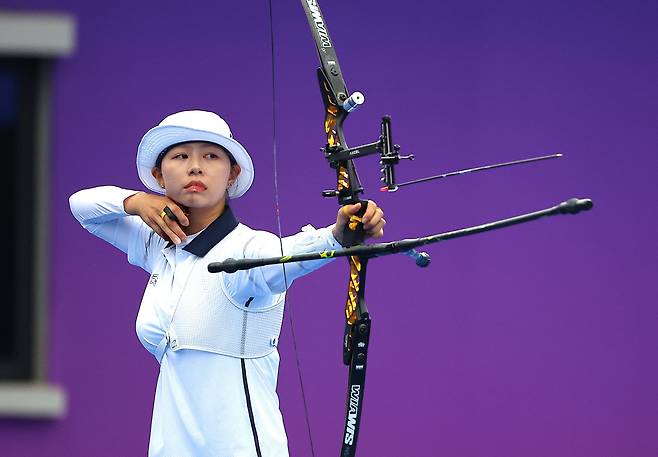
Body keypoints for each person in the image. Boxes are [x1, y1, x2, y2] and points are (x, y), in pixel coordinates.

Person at [69, 110, 385, 457]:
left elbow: (287, 254)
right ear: (159, 176)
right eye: (180, 156)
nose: (195, 166)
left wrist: (337, 236)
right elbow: (81, 206)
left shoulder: (247, 250)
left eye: (211, 155)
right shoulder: (157, 243)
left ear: (232, 173)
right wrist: (136, 202)